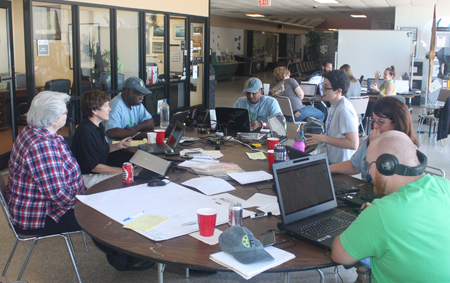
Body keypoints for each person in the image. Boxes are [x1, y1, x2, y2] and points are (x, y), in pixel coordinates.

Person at [331, 131, 450, 283]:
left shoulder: (381, 212)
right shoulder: (445, 186)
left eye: (369, 165)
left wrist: (370, 220)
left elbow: (339, 255)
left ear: (386, 166)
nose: (368, 172)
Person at [6, 91, 86, 235]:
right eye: (64, 113)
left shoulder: (35, 131)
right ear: (53, 120)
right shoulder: (41, 145)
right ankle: (120, 256)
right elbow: (57, 194)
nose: (67, 115)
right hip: (40, 215)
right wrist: (86, 203)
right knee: (102, 218)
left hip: (46, 206)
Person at [330, 96, 419, 181]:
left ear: (397, 123)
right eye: (373, 121)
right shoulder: (372, 140)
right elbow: (354, 165)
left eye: (381, 122)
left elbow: (386, 181)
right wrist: (326, 169)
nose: (375, 126)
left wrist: (376, 148)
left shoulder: (408, 150)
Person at [71, 90, 132, 188]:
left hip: (94, 173)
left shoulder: (97, 127)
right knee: (127, 177)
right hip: (86, 177)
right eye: (106, 106)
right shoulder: (85, 132)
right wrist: (123, 170)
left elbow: (100, 149)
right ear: (94, 110)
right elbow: (95, 167)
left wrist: (118, 146)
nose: (110, 109)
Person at [306, 70, 359, 164]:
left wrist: (324, 139)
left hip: (342, 165)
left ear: (339, 91)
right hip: (332, 160)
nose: (322, 89)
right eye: (322, 85)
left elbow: (353, 144)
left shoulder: (344, 110)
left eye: (326, 87)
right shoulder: (334, 105)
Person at [105, 76, 154, 142]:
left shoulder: (136, 104)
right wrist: (140, 135)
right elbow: (112, 132)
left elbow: (150, 122)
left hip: (129, 144)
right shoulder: (115, 106)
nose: (142, 98)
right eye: (139, 94)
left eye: (143, 95)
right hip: (117, 148)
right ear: (128, 92)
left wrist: (135, 128)